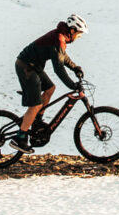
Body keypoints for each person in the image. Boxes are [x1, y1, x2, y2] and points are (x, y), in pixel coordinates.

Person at [8, 13, 87, 151]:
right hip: (26, 66)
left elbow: (62, 56)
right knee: (36, 104)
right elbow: (58, 69)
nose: (79, 37)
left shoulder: (60, 37)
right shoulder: (59, 38)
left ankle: (37, 121)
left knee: (50, 88)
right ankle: (19, 138)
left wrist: (74, 67)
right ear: (72, 30)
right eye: (79, 34)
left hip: (33, 66)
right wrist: (72, 85)